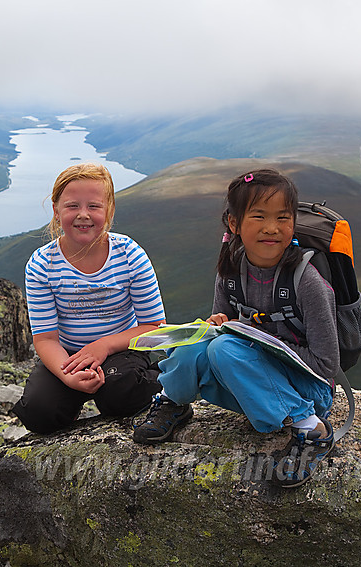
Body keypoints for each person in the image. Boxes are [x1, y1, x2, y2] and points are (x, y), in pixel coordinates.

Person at [132, 168, 339, 488]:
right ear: (234, 223)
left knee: (223, 347)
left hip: (308, 392)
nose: (272, 228)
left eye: (283, 218)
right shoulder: (232, 271)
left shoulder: (306, 281)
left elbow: (326, 366)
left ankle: (312, 430)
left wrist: (257, 339)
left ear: (293, 223)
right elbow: (221, 329)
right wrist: (219, 325)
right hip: (251, 383)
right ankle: (173, 400)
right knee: (196, 341)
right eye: (258, 216)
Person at [12, 163, 167, 434]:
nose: (83, 215)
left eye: (94, 206)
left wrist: (104, 346)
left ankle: (163, 386)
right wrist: (67, 375)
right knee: (39, 411)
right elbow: (46, 338)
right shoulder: (42, 264)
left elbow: (155, 329)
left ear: (109, 211)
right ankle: (71, 402)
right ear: (56, 211)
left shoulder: (130, 255)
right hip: (68, 355)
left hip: (121, 350)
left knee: (119, 393)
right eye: (72, 206)